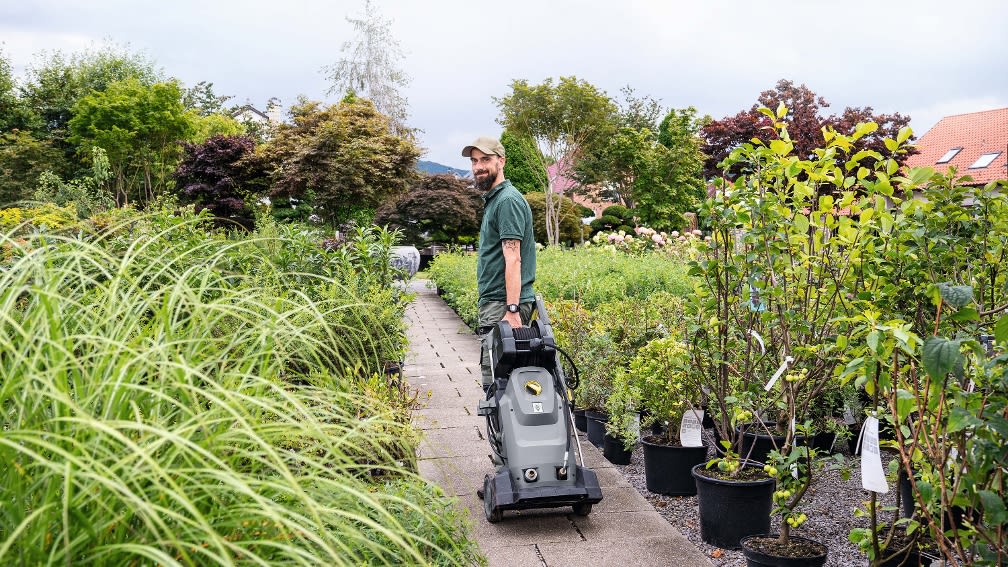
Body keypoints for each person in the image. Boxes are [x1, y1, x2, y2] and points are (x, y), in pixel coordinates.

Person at [462, 135, 537, 392]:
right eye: (474, 161)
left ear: (501, 161)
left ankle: (509, 433)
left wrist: (513, 310)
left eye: (485, 159)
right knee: (500, 381)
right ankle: (503, 433)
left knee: (498, 383)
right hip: (497, 303)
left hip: (504, 306)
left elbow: (513, 258)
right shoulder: (496, 200)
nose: (478, 166)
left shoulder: (507, 201)